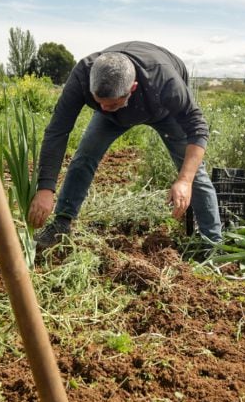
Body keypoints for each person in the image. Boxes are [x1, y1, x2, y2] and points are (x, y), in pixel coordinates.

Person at [28, 41, 222, 248]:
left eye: (111, 104)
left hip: (164, 111)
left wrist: (184, 180)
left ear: (133, 88)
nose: (103, 107)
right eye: (98, 102)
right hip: (112, 118)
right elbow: (58, 130)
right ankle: (61, 225)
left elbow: (197, 128)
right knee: (85, 156)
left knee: (194, 172)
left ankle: (213, 244)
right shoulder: (83, 75)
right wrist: (45, 188)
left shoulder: (164, 81)